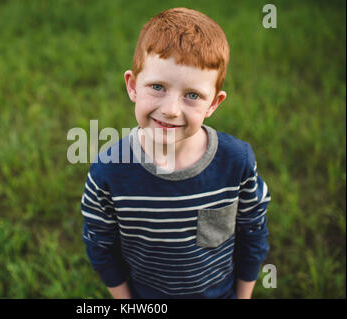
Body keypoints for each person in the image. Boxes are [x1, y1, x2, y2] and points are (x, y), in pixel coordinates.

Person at [81, 7, 271, 299]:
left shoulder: (237, 162)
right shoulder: (108, 171)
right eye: (157, 87)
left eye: (192, 95)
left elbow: (253, 232)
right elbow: (101, 246)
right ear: (133, 86)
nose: (171, 110)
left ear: (213, 104)